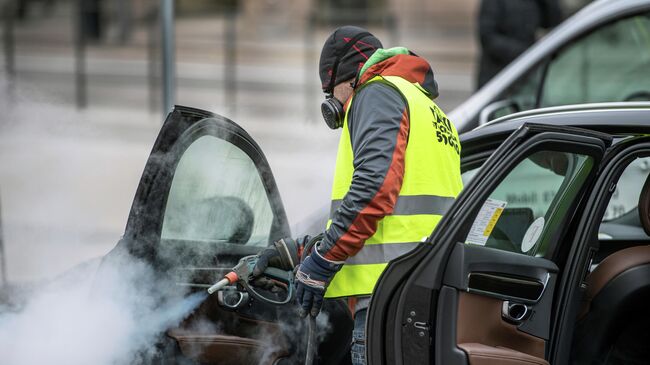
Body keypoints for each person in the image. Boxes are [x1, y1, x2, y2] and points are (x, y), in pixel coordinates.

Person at [253, 26, 463, 364]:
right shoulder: (431, 111)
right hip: (423, 294)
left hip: (389, 300)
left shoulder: (375, 93)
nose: (333, 105)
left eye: (331, 92)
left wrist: (323, 260)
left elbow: (375, 190)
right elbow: (400, 218)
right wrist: (307, 248)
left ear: (351, 78)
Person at [477, 0, 561, 88]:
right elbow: (488, 38)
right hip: (497, 75)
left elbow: (552, 21)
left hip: (526, 76)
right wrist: (526, 53)